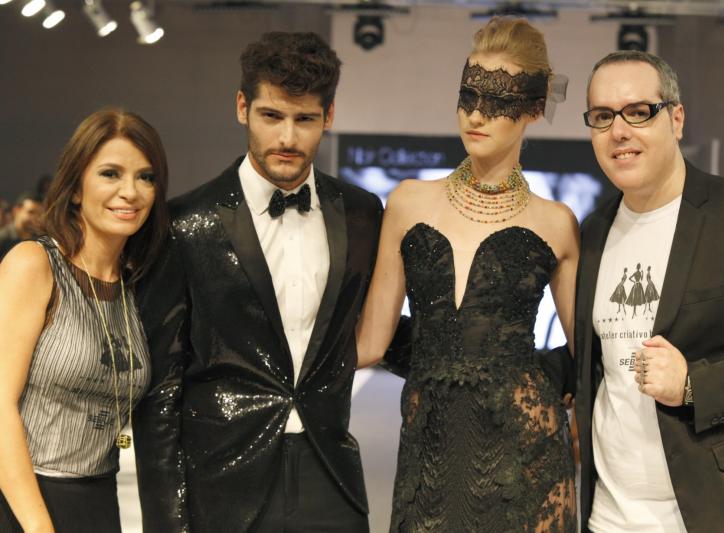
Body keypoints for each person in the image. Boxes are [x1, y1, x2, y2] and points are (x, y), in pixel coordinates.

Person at [133, 31, 382, 533]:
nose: (287, 138)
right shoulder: (186, 223)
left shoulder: (361, 213)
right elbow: (161, 385)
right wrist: (168, 521)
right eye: (272, 115)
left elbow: (371, 324)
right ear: (242, 107)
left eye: (304, 119)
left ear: (329, 117)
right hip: (222, 479)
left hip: (330, 474)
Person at [357, 17, 579, 532]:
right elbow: (370, 342)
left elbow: (587, 356)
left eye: (499, 100)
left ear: (534, 109)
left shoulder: (557, 224)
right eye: (469, 95)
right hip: (429, 451)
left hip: (526, 456)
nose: (477, 114)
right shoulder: (408, 202)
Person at [574, 50, 724, 532]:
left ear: (676, 119)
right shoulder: (593, 232)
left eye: (638, 112)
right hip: (609, 517)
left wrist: (695, 385)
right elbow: (597, 362)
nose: (619, 131)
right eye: (602, 116)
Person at [0, 108, 168, 533]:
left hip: (98, 501)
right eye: (111, 174)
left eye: (146, 177)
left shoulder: (136, 287)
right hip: (21, 502)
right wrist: (38, 526)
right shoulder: (34, 265)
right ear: (76, 189)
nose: (130, 192)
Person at [0, 191, 43, 261]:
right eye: (31, 212)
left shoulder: (39, 239)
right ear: (16, 210)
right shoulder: (2, 238)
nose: (35, 218)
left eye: (39, 214)